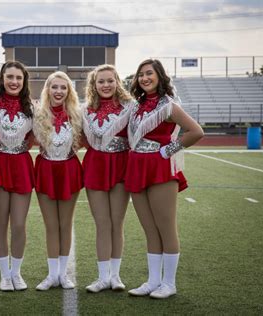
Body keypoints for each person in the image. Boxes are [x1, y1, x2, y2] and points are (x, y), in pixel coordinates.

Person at [125, 59, 204, 299]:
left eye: (149, 73)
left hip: (159, 168)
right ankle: (153, 281)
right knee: (150, 229)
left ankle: (169, 284)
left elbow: (196, 131)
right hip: (137, 166)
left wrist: (166, 151)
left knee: (166, 228)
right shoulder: (137, 105)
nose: (144, 78)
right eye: (141, 74)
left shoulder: (168, 106)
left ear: (160, 76)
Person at [82, 64, 134, 293]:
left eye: (110, 80)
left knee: (117, 222)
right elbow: (79, 137)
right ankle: (102, 277)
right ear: (94, 85)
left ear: (117, 81)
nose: (105, 85)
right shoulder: (85, 109)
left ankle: (115, 276)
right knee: (102, 223)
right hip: (95, 166)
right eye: (100, 81)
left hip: (121, 165)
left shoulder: (130, 107)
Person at [32, 71, 83, 291]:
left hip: (69, 168)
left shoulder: (78, 114)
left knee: (65, 224)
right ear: (48, 89)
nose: (59, 91)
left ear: (69, 91)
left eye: (64, 87)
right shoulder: (37, 113)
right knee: (51, 226)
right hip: (45, 169)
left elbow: (88, 139)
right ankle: (52, 275)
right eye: (55, 87)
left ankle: (63, 275)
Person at [0, 61, 34, 291]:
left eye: (18, 77)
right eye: (10, 77)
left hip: (21, 166)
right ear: (2, 78)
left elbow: (36, 135)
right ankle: (4, 275)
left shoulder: (31, 107)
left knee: (18, 224)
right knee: (0, 223)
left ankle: (16, 273)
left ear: (24, 81)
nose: (14, 81)